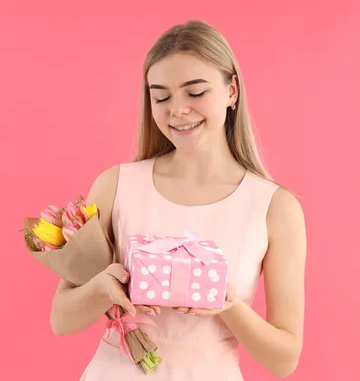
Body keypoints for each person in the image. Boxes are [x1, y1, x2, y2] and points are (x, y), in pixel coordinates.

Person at [49, 20, 306, 380]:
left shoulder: (274, 207)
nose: (178, 110)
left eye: (195, 92)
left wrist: (225, 303)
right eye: (161, 96)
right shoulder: (116, 185)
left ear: (232, 91)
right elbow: (61, 321)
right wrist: (103, 289)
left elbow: (284, 360)